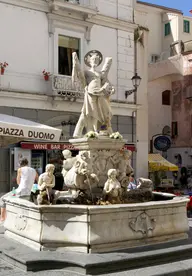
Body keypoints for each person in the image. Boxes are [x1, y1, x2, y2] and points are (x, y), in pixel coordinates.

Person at [0, 158, 37, 224]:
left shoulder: (20, 169)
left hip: (19, 191)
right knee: (13, 193)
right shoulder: (34, 170)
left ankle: (2, 218)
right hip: (28, 192)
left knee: (2, 199)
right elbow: (38, 181)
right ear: (27, 163)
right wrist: (33, 189)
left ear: (20, 164)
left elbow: (18, 182)